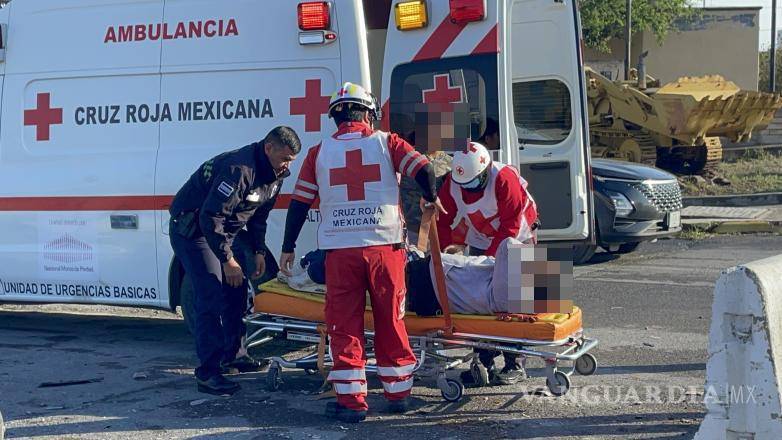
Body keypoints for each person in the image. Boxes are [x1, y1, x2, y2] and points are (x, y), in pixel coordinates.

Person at [280, 82, 444, 423]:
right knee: (391, 320)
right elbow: (425, 169)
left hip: (339, 253)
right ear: (369, 113)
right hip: (385, 249)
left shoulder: (318, 153)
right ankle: (397, 394)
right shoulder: (388, 142)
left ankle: (352, 403)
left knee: (344, 324)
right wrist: (430, 197)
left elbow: (299, 203)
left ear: (336, 117)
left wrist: (287, 247)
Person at [169, 126, 301, 395]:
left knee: (237, 290)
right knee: (211, 294)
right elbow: (210, 218)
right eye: (284, 158)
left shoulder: (276, 175)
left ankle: (235, 355)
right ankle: (208, 373)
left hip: (225, 231)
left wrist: (258, 251)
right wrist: (228, 260)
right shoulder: (239, 169)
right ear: (269, 148)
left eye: (291, 161)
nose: (287, 165)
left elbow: (258, 216)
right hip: (195, 229)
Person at [432, 141, 539, 385]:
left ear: (485, 170)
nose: (470, 190)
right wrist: (439, 257)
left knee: (518, 303)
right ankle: (484, 362)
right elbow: (443, 221)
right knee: (479, 302)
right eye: (465, 185)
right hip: (483, 238)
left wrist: (489, 260)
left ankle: (516, 363)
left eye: (475, 183)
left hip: (518, 238)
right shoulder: (454, 184)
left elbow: (510, 226)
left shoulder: (504, 178)